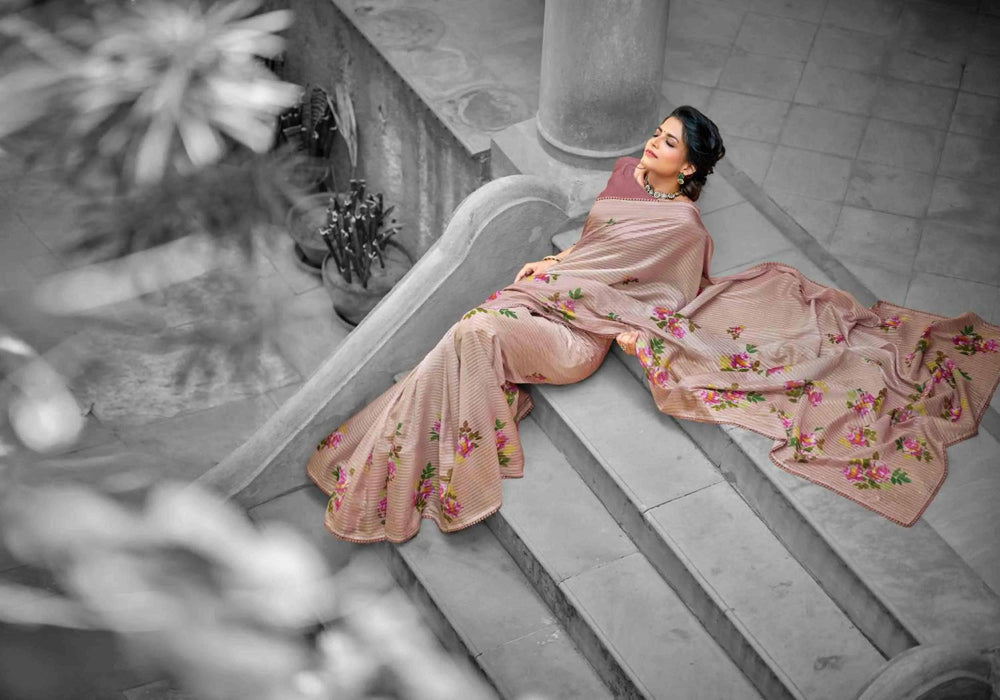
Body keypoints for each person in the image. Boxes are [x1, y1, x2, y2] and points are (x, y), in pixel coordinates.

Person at [307, 105, 1000, 544]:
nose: (651, 144)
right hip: (548, 301)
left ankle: (427, 472)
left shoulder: (684, 227)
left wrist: (577, 292)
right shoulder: (623, 176)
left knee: (473, 333)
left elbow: (661, 298)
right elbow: (592, 250)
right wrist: (558, 271)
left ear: (688, 166)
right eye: (656, 134)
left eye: (667, 143)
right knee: (472, 328)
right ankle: (388, 453)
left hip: (578, 336)